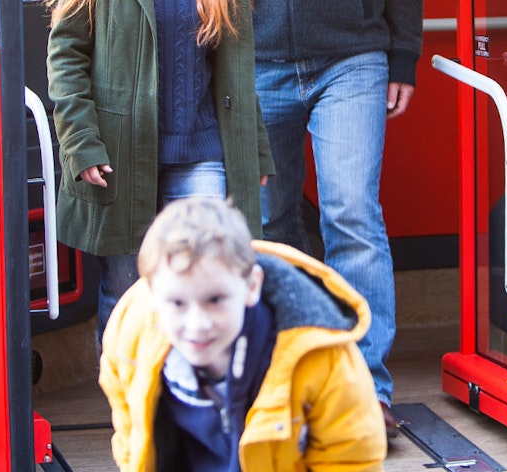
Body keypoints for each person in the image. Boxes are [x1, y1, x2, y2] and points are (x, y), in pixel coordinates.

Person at [201, 0, 424, 435]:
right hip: (253, 58)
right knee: (270, 223)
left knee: (352, 214)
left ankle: (367, 393)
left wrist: (404, 51)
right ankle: (287, 376)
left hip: (350, 57)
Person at [45, 0, 274, 344]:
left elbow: (236, 70)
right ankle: (133, 424)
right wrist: (81, 142)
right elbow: (66, 54)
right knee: (131, 299)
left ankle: (196, 417)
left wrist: (254, 149)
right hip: (122, 153)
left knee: (202, 290)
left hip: (203, 154)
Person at [99, 196, 387, 471]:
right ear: (153, 295)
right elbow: (131, 437)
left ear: (251, 286)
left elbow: (351, 459)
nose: (197, 323)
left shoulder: (321, 357)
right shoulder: (128, 339)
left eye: (215, 300)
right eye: (177, 304)